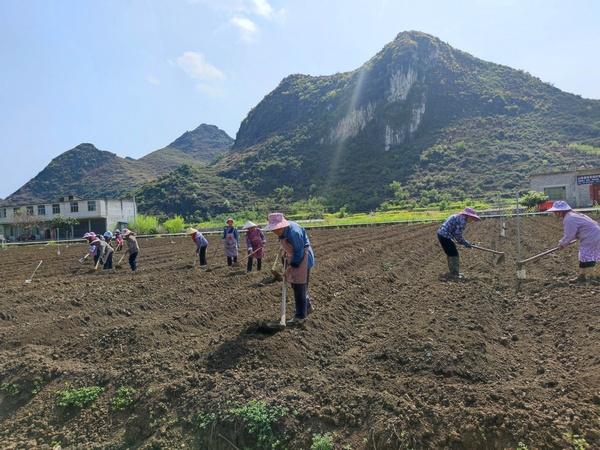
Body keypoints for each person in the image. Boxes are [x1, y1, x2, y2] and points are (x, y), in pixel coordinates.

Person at [265, 212, 315, 325]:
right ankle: (307, 306)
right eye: (273, 229)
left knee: (299, 286)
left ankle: (300, 316)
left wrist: (290, 268)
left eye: (276, 228)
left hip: (302, 258)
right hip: (293, 256)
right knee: (296, 285)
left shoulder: (294, 232)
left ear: (282, 225)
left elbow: (299, 251)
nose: (274, 231)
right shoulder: (283, 231)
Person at [547, 200, 600, 282]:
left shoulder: (569, 219)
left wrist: (562, 244)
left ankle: (592, 277)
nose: (554, 213)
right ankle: (582, 276)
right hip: (593, 234)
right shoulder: (573, 215)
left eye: (555, 211)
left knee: (587, 255)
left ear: (561, 212)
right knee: (583, 255)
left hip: (591, 236)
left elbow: (569, 235)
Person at [437, 207, 481, 279]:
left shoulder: (456, 216)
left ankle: (453, 272)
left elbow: (453, 231)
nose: (472, 220)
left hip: (441, 234)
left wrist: (461, 241)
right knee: (454, 254)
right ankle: (455, 274)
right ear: (468, 216)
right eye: (472, 218)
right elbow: (458, 235)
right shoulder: (463, 221)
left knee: (450, 253)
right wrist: (465, 243)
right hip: (445, 236)